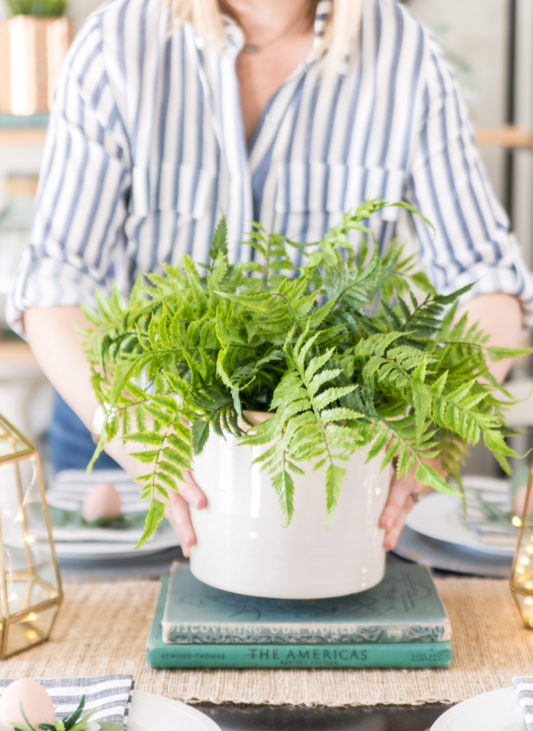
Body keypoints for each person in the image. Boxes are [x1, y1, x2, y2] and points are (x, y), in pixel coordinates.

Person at [7, 0, 533, 555]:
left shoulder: (405, 56)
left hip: (333, 462)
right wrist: (129, 427)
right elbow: (52, 288)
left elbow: (489, 280)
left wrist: (441, 432)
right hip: (138, 448)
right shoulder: (117, 45)